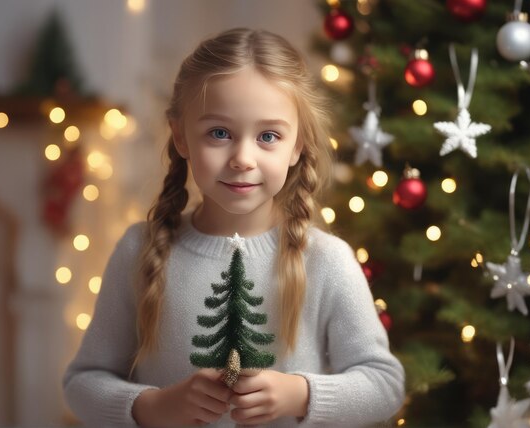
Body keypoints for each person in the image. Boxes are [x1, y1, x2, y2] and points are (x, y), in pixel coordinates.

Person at [63, 28, 405, 427]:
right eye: (219, 133)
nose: (243, 158)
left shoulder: (327, 260)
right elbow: (82, 382)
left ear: (298, 146)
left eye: (268, 136)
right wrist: (154, 407)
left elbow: (385, 384)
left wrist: (300, 394)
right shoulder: (139, 249)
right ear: (181, 136)